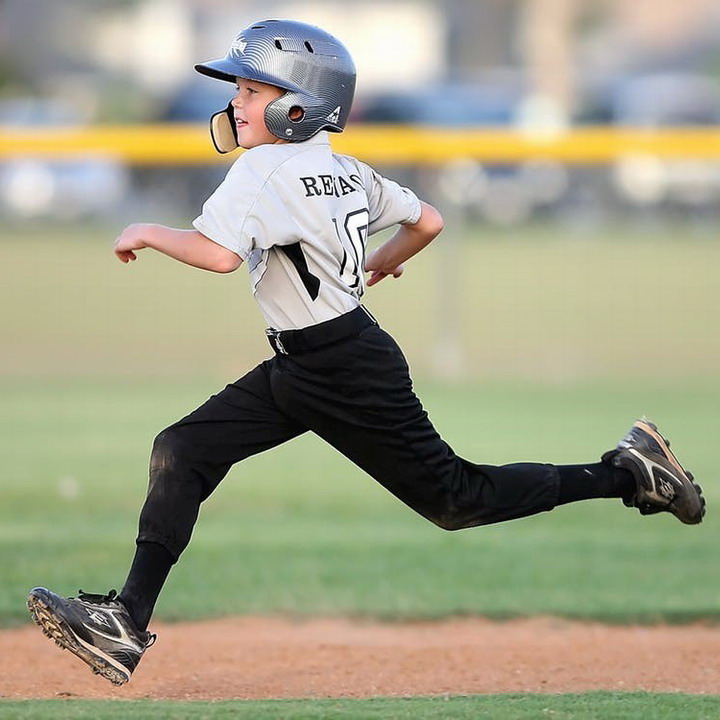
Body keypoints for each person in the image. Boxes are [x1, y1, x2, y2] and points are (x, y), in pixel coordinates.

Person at [27, 19, 705, 687]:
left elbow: (218, 257)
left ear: (299, 104)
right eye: (239, 88)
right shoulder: (342, 166)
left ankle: (628, 473)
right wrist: (379, 262)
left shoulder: (262, 169)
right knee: (184, 448)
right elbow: (428, 220)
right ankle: (123, 620)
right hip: (317, 360)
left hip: (342, 370)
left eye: (252, 89)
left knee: (457, 499)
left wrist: (147, 228)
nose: (236, 100)